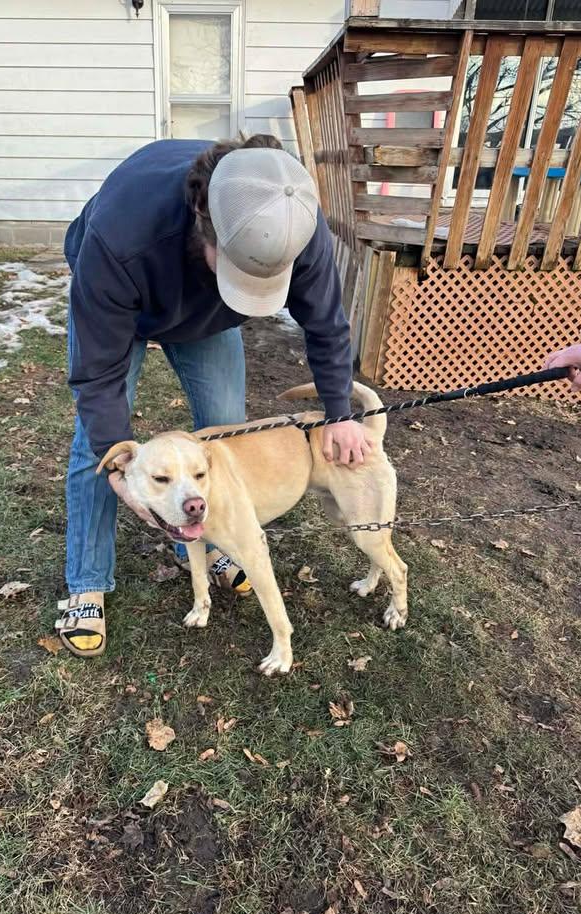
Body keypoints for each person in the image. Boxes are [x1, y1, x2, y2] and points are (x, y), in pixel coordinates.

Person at [56, 135, 369, 657]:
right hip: (125, 297)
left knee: (226, 427)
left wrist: (339, 411)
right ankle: (88, 581)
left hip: (207, 313)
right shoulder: (121, 237)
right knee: (98, 446)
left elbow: (327, 325)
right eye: (240, 271)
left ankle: (206, 534)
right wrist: (122, 470)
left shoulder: (293, 222)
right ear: (205, 218)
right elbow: (97, 377)